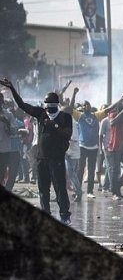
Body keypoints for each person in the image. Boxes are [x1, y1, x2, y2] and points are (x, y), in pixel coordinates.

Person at [1, 79, 72, 224]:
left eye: (50, 106)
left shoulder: (65, 117)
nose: (48, 109)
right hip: (42, 159)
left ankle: (64, 215)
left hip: (57, 159)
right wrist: (12, 88)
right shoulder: (41, 114)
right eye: (46, 106)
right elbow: (22, 105)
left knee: (60, 189)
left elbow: (67, 134)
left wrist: (55, 125)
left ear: (56, 105)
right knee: (43, 190)